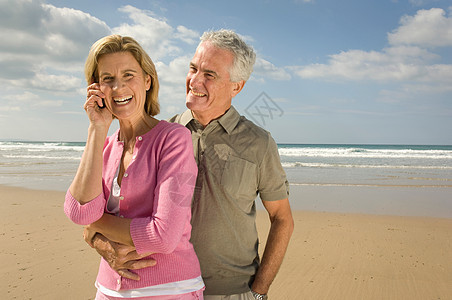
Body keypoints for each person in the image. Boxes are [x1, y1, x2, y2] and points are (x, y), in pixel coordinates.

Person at [88, 29, 294, 299]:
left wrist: (259, 290)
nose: (195, 80)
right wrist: (102, 244)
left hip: (232, 292)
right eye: (193, 68)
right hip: (166, 289)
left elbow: (282, 219)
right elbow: (98, 214)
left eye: (209, 74)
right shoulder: (161, 135)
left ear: (237, 86)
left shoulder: (258, 143)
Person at [64, 34, 204, 299]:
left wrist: (96, 228)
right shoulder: (103, 147)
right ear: (96, 88)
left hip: (170, 289)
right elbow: (79, 213)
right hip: (107, 289)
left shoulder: (173, 138)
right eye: (108, 79)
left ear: (147, 81)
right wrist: (97, 127)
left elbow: (164, 236)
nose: (118, 88)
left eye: (129, 75)